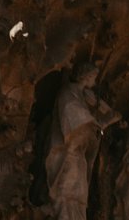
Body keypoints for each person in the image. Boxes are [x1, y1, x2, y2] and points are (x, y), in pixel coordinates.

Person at [46, 65, 120, 220]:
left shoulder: (81, 95)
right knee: (65, 194)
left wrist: (99, 111)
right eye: (93, 77)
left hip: (79, 156)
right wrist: (103, 122)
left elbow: (92, 124)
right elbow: (77, 123)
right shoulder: (67, 94)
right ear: (85, 77)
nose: (95, 81)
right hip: (68, 154)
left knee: (79, 197)